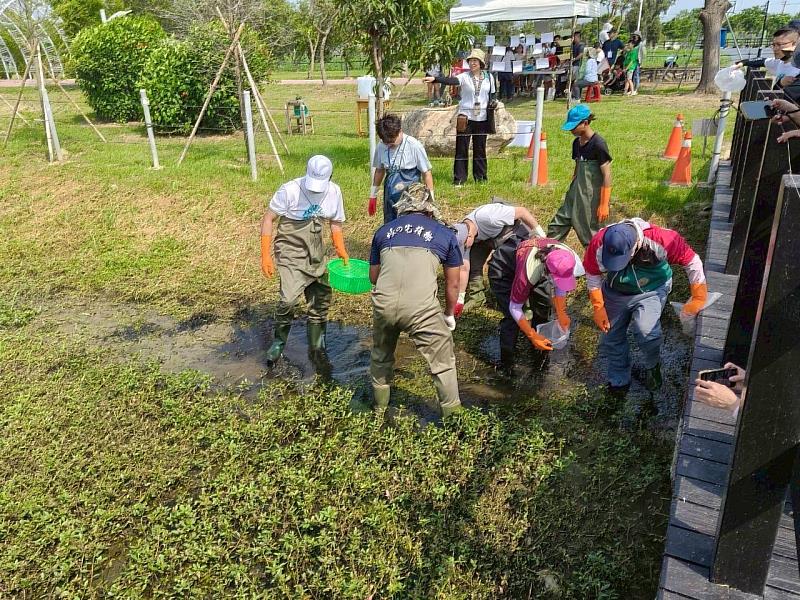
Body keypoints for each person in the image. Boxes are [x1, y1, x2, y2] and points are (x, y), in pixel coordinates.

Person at [582, 218, 708, 397]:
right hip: (616, 291)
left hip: (653, 288)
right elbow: (592, 273)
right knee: (611, 336)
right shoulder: (599, 242)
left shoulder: (661, 239)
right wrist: (598, 306)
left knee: (647, 332)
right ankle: (619, 378)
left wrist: (698, 296)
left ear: (635, 246)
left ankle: (652, 366)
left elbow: (692, 261)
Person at [368, 183, 463, 418]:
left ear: (402, 208)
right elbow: (453, 284)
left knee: (381, 354)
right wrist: (449, 314)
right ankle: (454, 421)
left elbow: (373, 277)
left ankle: (379, 410)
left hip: (384, 304)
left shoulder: (383, 231)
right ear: (430, 210)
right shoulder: (445, 234)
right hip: (421, 310)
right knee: (442, 362)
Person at [260, 155, 349, 364]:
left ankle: (317, 345)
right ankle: (278, 342)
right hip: (290, 249)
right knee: (288, 298)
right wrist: (265, 255)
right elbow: (268, 218)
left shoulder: (334, 191)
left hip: (316, 251)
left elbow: (335, 222)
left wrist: (340, 248)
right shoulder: (289, 190)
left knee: (321, 297)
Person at [487, 234, 581, 373]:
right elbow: (515, 307)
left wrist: (561, 313)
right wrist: (531, 335)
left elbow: (560, 285)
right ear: (548, 271)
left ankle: (539, 357)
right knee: (512, 319)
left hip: (538, 268)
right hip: (504, 269)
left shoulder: (568, 258)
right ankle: (506, 366)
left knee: (543, 307)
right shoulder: (530, 272)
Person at [452, 198, 544, 314]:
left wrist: (540, 234)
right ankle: (477, 297)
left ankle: (523, 303)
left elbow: (522, 211)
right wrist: (460, 298)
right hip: (489, 237)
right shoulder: (462, 233)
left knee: (504, 267)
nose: (465, 248)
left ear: (470, 236)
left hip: (512, 231)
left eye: (465, 246)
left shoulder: (489, 217)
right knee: (473, 260)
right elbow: (464, 268)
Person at [424, 49, 497, 186]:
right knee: (461, 148)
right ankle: (459, 179)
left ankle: (480, 178)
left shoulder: (489, 77)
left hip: (482, 117)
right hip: (465, 117)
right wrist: (435, 79)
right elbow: (451, 80)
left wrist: (494, 102)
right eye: (470, 61)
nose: (472, 63)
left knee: (480, 149)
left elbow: (492, 94)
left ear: (481, 63)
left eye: (475, 61)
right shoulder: (464, 76)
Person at [547, 104, 612, 248]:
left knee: (589, 234)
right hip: (575, 193)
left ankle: (597, 266)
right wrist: (574, 181)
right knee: (556, 225)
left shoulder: (598, 144)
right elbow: (578, 164)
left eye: (574, 126)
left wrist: (603, 204)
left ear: (585, 123)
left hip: (590, 197)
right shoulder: (576, 143)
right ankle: (548, 256)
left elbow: (607, 174)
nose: (571, 130)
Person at [368, 113, 433, 224]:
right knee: (391, 222)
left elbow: (426, 173)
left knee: (409, 223)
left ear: (400, 131)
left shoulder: (414, 145)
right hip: (390, 190)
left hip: (410, 191)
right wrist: (373, 195)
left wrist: (431, 199)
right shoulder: (381, 146)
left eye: (393, 141)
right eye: (387, 142)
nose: (390, 145)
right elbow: (379, 170)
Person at [733, 27, 800, 89]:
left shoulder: (797, 71)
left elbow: (787, 96)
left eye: (779, 45)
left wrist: (780, 83)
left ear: (794, 44)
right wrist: (742, 63)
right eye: (773, 45)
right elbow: (761, 61)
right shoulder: (779, 62)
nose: (775, 49)